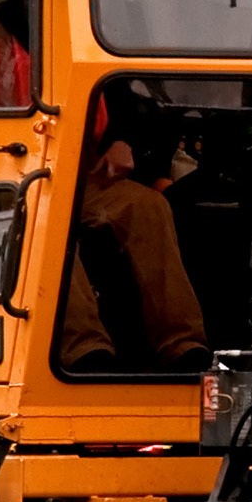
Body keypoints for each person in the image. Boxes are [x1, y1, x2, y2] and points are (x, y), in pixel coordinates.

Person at [51, 103, 209, 373]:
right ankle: (85, 349)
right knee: (48, 224)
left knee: (147, 205)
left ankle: (182, 346)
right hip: (11, 180)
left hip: (79, 175)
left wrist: (121, 142)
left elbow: (131, 103)